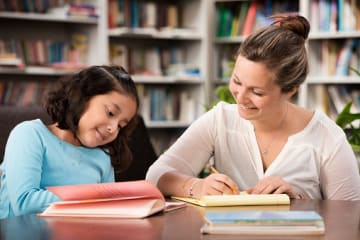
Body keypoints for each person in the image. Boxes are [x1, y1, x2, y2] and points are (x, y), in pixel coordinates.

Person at [146, 15, 360, 201]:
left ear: (290, 90)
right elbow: (156, 175)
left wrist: (300, 201)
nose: (241, 97)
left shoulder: (326, 138)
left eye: (257, 92)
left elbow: (351, 216)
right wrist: (197, 186)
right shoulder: (220, 120)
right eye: (237, 82)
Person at [0, 65, 139, 218]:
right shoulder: (29, 135)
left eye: (120, 125)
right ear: (82, 97)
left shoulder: (103, 158)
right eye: (110, 113)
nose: (113, 128)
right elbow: (24, 203)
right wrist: (92, 197)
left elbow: (106, 209)